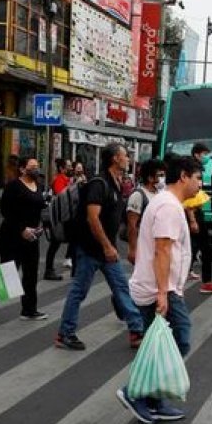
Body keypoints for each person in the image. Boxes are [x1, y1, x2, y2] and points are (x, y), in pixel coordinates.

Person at [118, 154, 202, 424]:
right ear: (183, 177)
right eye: (198, 177)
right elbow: (162, 249)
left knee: (158, 345)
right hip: (158, 288)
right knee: (181, 338)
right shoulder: (167, 206)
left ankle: (152, 399)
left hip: (159, 286)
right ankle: (135, 393)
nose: (200, 184)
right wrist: (164, 292)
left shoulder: (169, 203)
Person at [56, 143, 144, 351]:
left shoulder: (116, 182)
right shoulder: (99, 183)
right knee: (79, 291)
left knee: (121, 287)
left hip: (106, 249)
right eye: (125, 156)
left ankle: (137, 330)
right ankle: (65, 333)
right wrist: (106, 245)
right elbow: (92, 218)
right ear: (115, 159)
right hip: (90, 249)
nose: (128, 159)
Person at [0, 156, 47, 321]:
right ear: (22, 169)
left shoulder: (38, 186)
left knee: (31, 274)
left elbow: (40, 209)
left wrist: (40, 225)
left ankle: (29, 309)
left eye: (37, 166)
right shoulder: (13, 186)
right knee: (7, 273)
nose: (36, 169)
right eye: (32, 166)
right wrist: (21, 229)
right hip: (11, 236)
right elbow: (5, 211)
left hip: (32, 237)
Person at [188, 143, 212, 294]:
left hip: (197, 212)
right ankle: (205, 282)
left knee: (198, 246)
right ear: (197, 154)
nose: (207, 157)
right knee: (203, 247)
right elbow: (189, 197)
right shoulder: (191, 170)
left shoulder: (196, 169)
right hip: (193, 213)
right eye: (205, 154)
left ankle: (203, 280)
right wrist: (192, 219)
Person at [126, 157, 166, 265]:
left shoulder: (160, 194)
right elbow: (132, 225)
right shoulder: (138, 195)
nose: (163, 178)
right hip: (144, 245)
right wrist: (133, 249)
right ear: (150, 178)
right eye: (160, 175)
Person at [44, 158, 72, 281]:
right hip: (58, 218)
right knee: (55, 244)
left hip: (65, 217)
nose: (71, 168)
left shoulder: (68, 180)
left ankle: (74, 266)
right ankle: (48, 270)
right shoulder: (59, 180)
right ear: (62, 168)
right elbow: (62, 196)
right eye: (69, 166)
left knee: (73, 242)